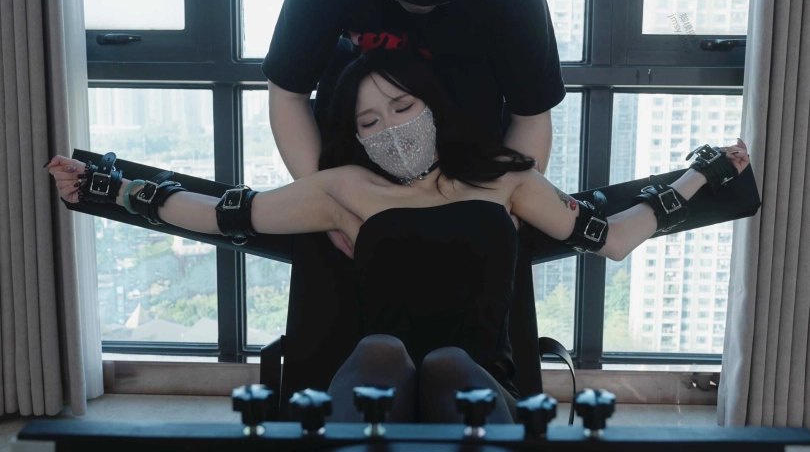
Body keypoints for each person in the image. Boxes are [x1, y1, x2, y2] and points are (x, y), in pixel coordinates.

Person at [47, 49, 750, 424]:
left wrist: (701, 174)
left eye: (402, 105)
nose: (391, 127)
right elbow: (223, 214)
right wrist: (110, 187)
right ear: (354, 137)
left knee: (446, 363)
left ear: (432, 107)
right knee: (383, 350)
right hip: (375, 379)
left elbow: (613, 238)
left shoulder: (507, 179)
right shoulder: (344, 190)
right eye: (369, 122)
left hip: (479, 384)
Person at [264, 0, 567, 256]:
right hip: (351, 192)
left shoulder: (515, 2)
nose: (421, 8)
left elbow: (531, 117)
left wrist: (506, 213)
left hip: (478, 182)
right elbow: (288, 95)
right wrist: (330, 207)